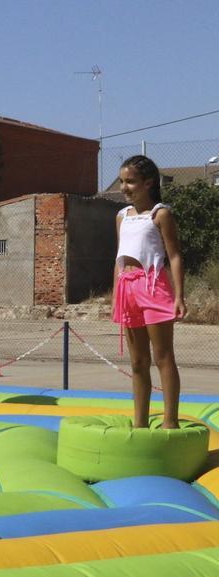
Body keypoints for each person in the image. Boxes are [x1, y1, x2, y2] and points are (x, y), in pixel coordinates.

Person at [113, 155, 187, 429]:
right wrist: (114, 298)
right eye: (122, 181)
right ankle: (140, 423)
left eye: (130, 181)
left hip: (153, 287)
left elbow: (175, 256)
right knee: (137, 362)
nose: (124, 187)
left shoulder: (160, 214)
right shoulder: (121, 217)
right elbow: (119, 257)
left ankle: (170, 422)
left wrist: (179, 295)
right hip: (127, 289)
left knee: (163, 356)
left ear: (148, 183)